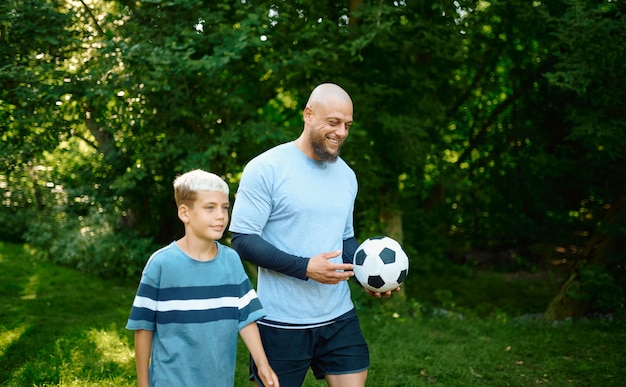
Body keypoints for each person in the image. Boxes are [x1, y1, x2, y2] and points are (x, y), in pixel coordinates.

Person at [229, 83, 398, 387]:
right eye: (333, 122)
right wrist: (305, 267)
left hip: (338, 317)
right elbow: (243, 239)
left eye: (347, 124)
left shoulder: (347, 175)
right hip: (279, 322)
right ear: (308, 114)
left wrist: (366, 275)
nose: (341, 132)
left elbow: (345, 239)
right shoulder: (266, 168)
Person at [126, 169, 279, 387]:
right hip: (171, 380)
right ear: (184, 213)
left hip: (218, 380)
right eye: (210, 208)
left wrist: (262, 364)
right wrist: (143, 383)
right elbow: (144, 327)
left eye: (224, 208)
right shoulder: (161, 264)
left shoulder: (231, 261)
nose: (220, 216)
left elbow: (245, 318)